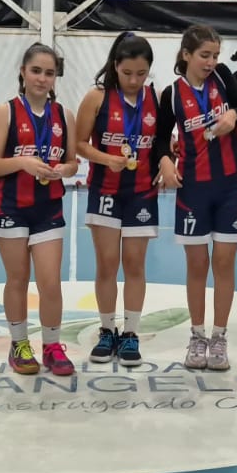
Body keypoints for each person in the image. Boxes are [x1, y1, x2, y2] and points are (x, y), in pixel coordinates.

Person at [152, 25, 237, 370]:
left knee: (224, 263)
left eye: (215, 55)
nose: (211, 61)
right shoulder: (170, 94)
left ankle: (219, 337)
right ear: (186, 55)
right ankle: (197, 337)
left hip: (230, 186)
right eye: (204, 55)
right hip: (193, 188)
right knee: (197, 265)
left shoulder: (224, 77)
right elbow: (159, 139)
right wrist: (165, 162)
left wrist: (233, 114)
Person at [0, 43, 80, 376]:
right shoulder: (6, 112)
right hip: (10, 206)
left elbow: (72, 162)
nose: (42, 78)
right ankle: (19, 344)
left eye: (49, 73)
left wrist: (66, 169)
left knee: (50, 282)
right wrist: (23, 162)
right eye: (36, 71)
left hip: (48, 208)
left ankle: (52, 346)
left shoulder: (64, 116)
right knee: (17, 278)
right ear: (23, 72)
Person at [74, 33, 159, 367]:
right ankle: (107, 330)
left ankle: (131, 332)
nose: (134, 80)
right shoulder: (97, 97)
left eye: (141, 73)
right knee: (107, 264)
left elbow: (160, 143)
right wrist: (106, 158)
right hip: (105, 190)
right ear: (114, 66)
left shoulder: (156, 98)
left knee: (135, 265)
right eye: (127, 73)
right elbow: (79, 143)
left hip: (142, 192)